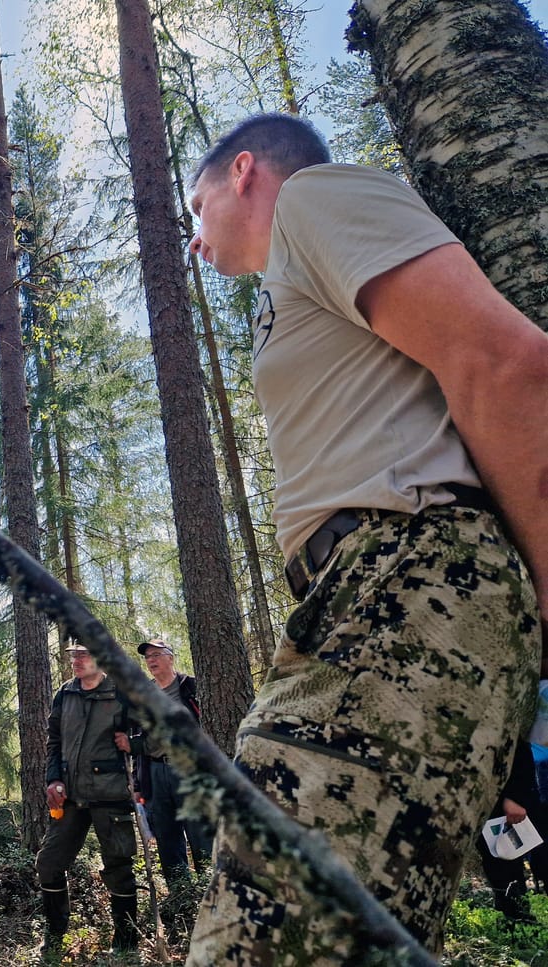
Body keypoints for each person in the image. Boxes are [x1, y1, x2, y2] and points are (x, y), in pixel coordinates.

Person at [184, 111, 546, 964]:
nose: (193, 235)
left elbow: (505, 362)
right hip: (367, 592)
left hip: (408, 575)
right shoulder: (286, 283)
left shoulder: (314, 197)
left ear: (243, 172)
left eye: (195, 204)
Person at [37, 643, 140, 953]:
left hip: (111, 795)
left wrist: (134, 742)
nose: (76, 661)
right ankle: (55, 939)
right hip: (69, 796)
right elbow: (54, 742)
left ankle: (126, 944)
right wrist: (53, 779)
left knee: (119, 867)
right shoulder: (65, 694)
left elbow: (152, 730)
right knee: (49, 863)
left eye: (84, 655)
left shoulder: (121, 693)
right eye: (73, 656)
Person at [134, 638, 212, 881]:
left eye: (156, 655)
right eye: (148, 657)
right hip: (156, 772)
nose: (151, 661)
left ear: (171, 657)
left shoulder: (192, 687)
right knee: (167, 839)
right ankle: (181, 898)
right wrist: (137, 784)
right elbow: (138, 739)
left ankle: (210, 891)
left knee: (201, 835)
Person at [480, 741, 548, 922]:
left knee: (541, 852)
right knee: (502, 858)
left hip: (522, 793)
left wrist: (513, 796)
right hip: (492, 801)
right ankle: (516, 919)